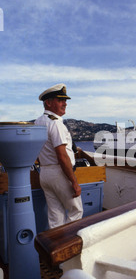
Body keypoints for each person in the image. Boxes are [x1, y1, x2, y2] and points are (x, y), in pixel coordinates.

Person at [35, 83, 83, 228]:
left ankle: (55, 247)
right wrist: (74, 182)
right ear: (48, 102)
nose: (65, 104)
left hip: (45, 173)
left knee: (55, 216)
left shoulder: (38, 122)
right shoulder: (55, 124)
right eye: (60, 100)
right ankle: (69, 246)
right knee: (76, 211)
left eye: (65, 100)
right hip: (59, 173)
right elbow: (62, 156)